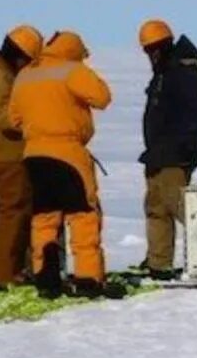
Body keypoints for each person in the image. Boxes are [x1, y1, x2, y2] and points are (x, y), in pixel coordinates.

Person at [7, 29, 118, 298]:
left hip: (34, 156)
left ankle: (45, 277)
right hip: (68, 152)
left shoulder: (25, 75)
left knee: (44, 218)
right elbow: (103, 97)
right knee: (83, 216)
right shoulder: (72, 70)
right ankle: (88, 278)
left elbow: (14, 119)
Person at [0, 24, 44, 290]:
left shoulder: (0, 72)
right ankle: (3, 274)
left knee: (18, 214)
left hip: (7, 155)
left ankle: (15, 269)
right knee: (11, 215)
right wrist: (37, 120)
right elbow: (4, 117)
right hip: (6, 157)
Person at [137, 17, 197, 275]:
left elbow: (194, 115)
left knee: (178, 206)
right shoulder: (166, 73)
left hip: (173, 153)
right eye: (147, 50)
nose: (150, 54)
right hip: (158, 152)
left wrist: (183, 149)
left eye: (153, 48)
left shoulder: (180, 73)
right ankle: (158, 261)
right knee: (156, 208)